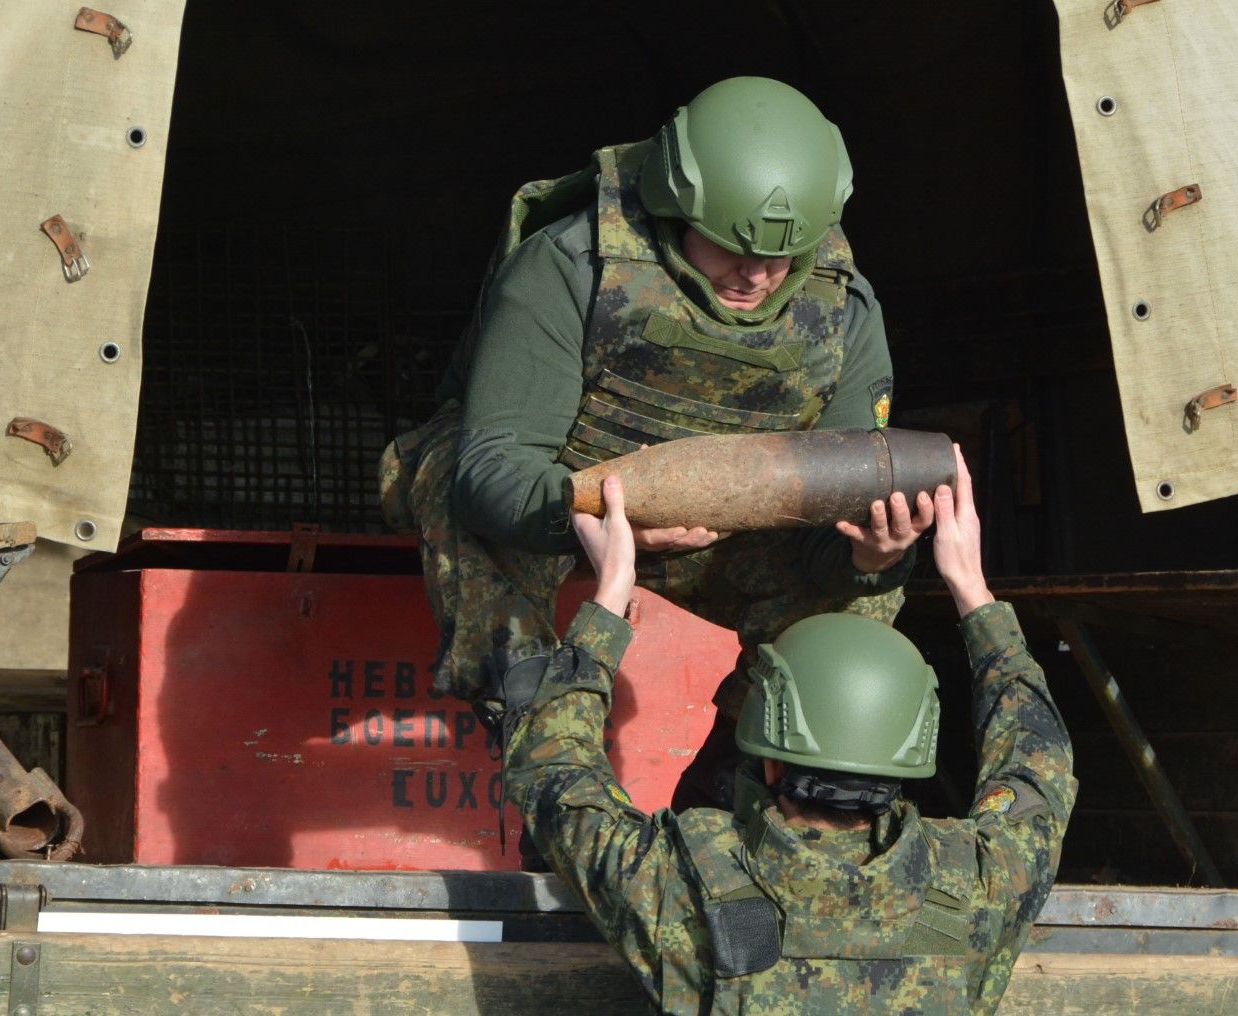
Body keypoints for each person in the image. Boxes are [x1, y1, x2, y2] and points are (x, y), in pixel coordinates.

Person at [379, 77, 932, 797]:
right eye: (729, 247)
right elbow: (492, 470)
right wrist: (602, 515)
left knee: (864, 601)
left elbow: (826, 533)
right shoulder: (571, 267)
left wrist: (866, 554)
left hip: (724, 541)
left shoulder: (842, 312)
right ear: (675, 209)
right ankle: (555, 782)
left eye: (783, 257)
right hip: (565, 519)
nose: (757, 274)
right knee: (443, 473)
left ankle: (739, 800)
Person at [503, 448, 1077, 1012]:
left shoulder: (684, 882)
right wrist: (972, 588)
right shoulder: (974, 885)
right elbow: (1037, 763)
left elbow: (550, 767)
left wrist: (613, 587)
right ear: (912, 745)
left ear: (769, 759)